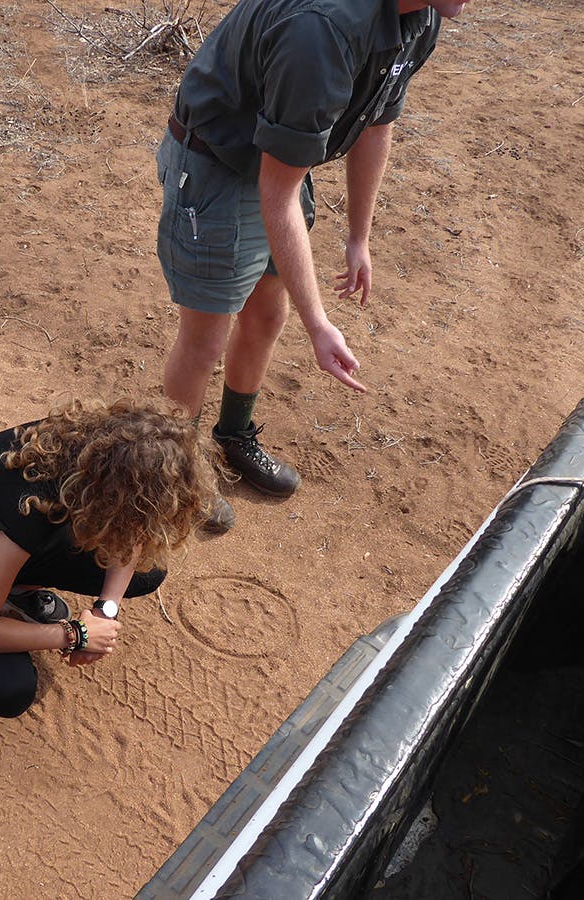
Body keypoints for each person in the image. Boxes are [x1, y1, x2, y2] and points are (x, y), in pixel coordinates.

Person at [157, 0, 472, 531]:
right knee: (204, 340)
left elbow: (375, 124)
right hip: (217, 165)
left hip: (272, 162)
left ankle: (232, 434)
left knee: (266, 317)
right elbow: (277, 196)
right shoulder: (320, 32)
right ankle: (171, 479)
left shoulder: (421, 16)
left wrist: (359, 237)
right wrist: (320, 323)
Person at [0, 398, 219, 718]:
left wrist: (106, 611)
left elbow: (132, 532)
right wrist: (76, 634)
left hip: (5, 549)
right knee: (6, 689)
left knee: (147, 572)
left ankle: (13, 591)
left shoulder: (93, 453)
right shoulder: (30, 504)